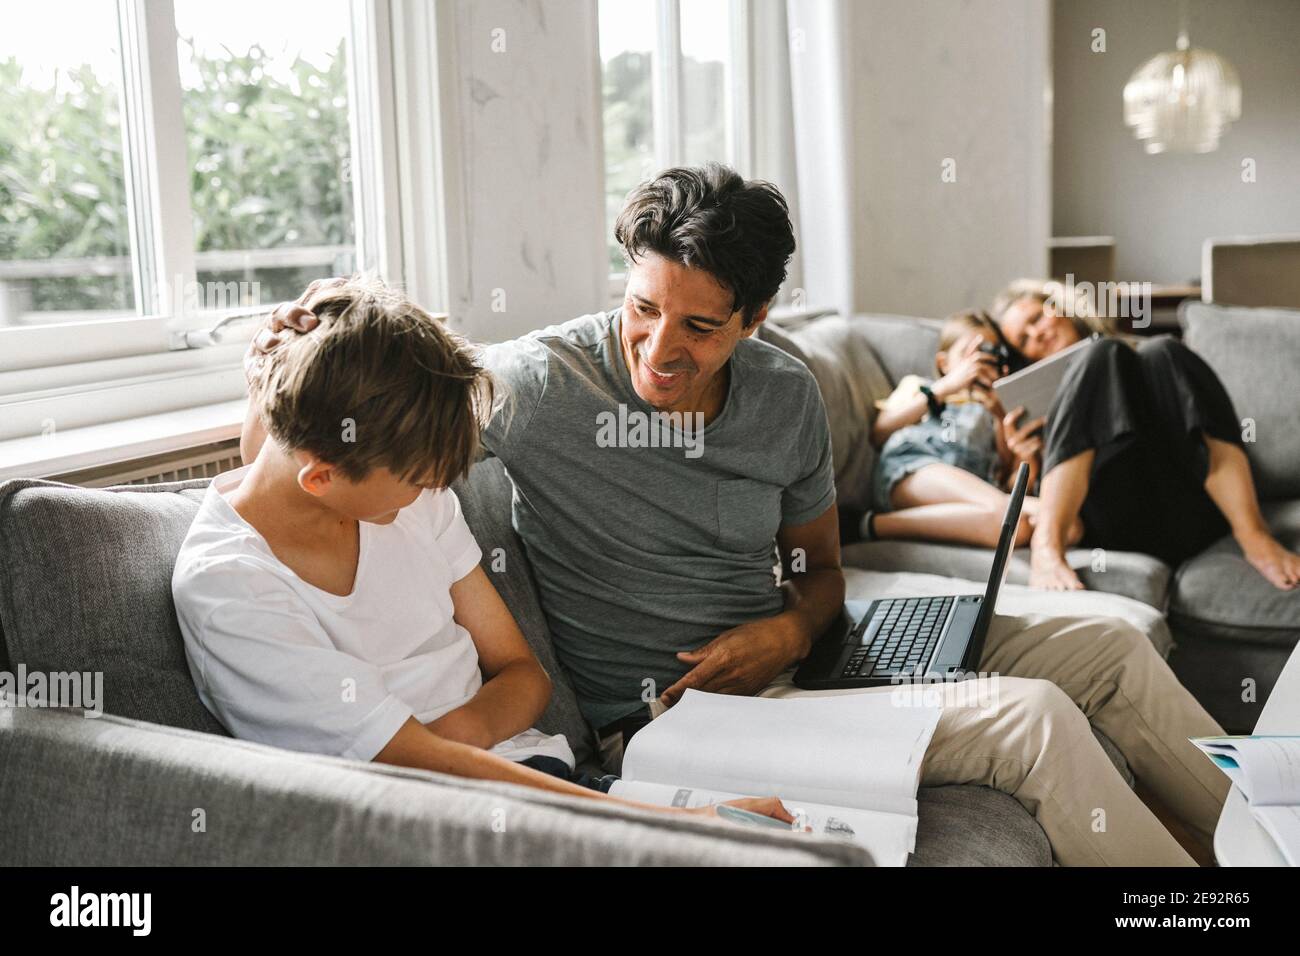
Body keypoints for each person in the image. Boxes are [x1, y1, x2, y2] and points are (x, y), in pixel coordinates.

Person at [254, 164, 1230, 865]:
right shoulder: (537, 387)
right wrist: (297, 337)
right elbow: (375, 393)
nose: (657, 348)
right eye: (642, 307)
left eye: (698, 325)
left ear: (756, 319)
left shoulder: (785, 390)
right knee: (1030, 720)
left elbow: (820, 564)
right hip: (674, 719)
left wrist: (791, 623)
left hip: (800, 657)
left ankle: (1268, 848)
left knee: (1110, 652)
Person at [173, 275, 793, 826]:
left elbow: (525, 676)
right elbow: (411, 774)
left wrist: (453, 735)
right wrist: (681, 824)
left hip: (541, 781)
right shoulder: (232, 588)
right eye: (417, 478)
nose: (436, 488)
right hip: (444, 823)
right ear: (323, 477)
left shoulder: (400, 495)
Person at [994, 283, 1300, 592]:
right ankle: (1046, 548)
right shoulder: (1037, 409)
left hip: (1189, 507)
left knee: (1162, 349)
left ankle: (1253, 534)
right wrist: (1027, 459)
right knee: (1101, 354)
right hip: (1116, 521)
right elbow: (1016, 495)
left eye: (1035, 320)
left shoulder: (1142, 359)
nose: (1036, 335)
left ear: (1060, 307)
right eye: (1023, 340)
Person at [863, 309, 1073, 549]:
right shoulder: (923, 387)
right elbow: (879, 432)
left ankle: (877, 525)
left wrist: (998, 412)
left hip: (981, 494)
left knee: (1066, 524)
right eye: (970, 354)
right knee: (1009, 516)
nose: (979, 364)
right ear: (943, 363)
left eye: (989, 355)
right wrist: (947, 387)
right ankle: (873, 524)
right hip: (915, 469)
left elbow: (1005, 476)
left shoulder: (996, 407)